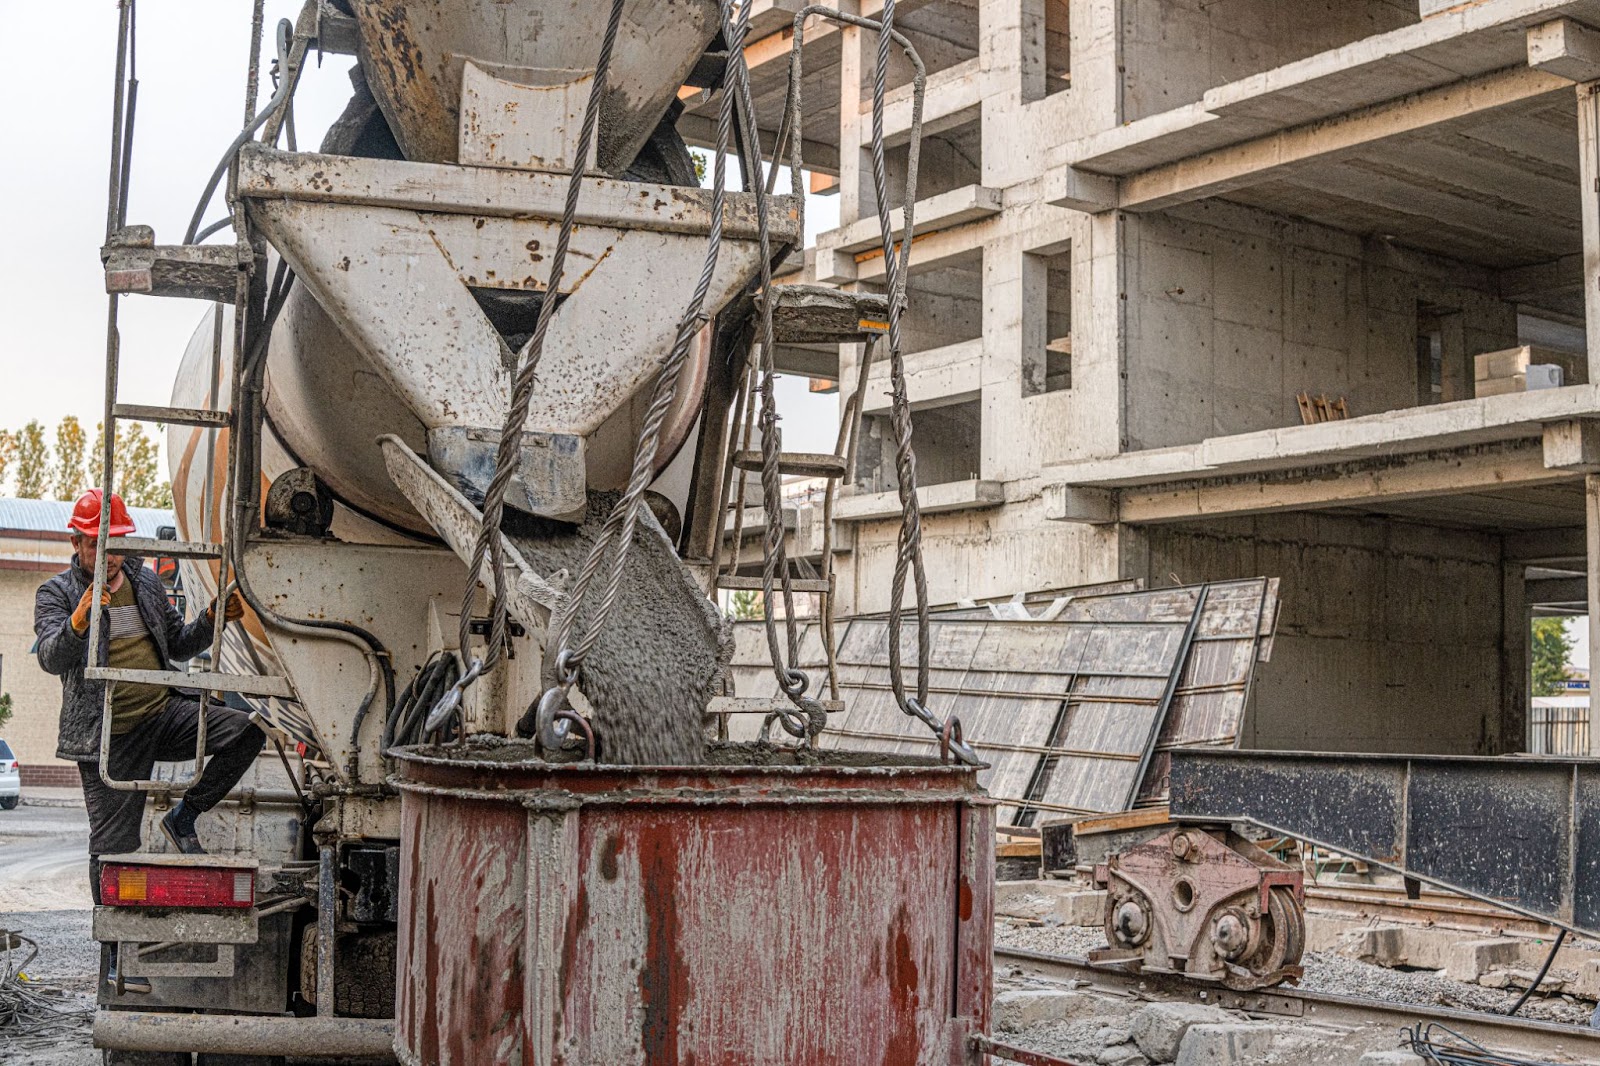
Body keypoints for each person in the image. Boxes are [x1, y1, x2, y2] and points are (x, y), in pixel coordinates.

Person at [33, 489, 263, 884]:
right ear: (76, 543)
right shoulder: (57, 593)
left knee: (246, 733)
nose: (109, 554)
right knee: (112, 846)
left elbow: (178, 643)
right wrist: (78, 621)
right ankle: (112, 942)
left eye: (118, 544)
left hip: (162, 715)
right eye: (97, 544)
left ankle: (184, 817)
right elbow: (50, 657)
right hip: (108, 736)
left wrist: (212, 618)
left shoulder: (146, 581)